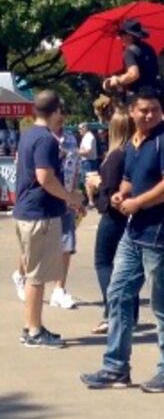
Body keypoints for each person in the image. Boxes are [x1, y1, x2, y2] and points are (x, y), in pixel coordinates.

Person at [81, 86, 164, 391]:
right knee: (118, 293)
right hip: (135, 231)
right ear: (131, 111)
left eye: (154, 109)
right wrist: (122, 194)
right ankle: (116, 367)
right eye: (143, 109)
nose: (149, 114)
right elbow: (129, 178)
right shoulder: (133, 143)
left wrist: (137, 203)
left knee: (162, 301)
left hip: (161, 234)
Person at [13, 90, 82, 348]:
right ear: (55, 112)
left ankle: (32, 326)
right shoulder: (46, 140)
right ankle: (33, 330)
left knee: (35, 273)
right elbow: (45, 177)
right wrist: (69, 197)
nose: (61, 117)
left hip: (26, 212)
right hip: (39, 214)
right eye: (60, 112)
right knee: (37, 276)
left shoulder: (28, 135)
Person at [86, 111, 140, 335]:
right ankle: (130, 312)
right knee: (127, 265)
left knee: (104, 262)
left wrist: (97, 184)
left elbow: (110, 192)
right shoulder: (134, 152)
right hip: (129, 215)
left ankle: (112, 311)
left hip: (114, 215)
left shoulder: (117, 155)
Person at [49, 121, 82, 309]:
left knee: (67, 243)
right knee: (38, 249)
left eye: (63, 113)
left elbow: (75, 168)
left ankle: (59, 289)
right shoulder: (40, 137)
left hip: (66, 200)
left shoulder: (70, 139)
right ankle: (22, 275)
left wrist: (75, 195)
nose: (61, 117)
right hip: (44, 202)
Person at [102, 19, 164, 107]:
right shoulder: (149, 48)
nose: (120, 38)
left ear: (129, 36)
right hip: (156, 96)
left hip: (141, 99)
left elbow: (133, 74)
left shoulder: (129, 51)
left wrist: (117, 80)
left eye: (122, 34)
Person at [78, 122, 99, 205]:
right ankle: (91, 200)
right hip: (87, 161)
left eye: (80, 129)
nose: (79, 131)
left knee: (89, 182)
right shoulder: (86, 137)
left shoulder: (89, 137)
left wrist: (77, 152)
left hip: (89, 162)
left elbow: (88, 151)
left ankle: (91, 201)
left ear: (84, 128)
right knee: (89, 182)